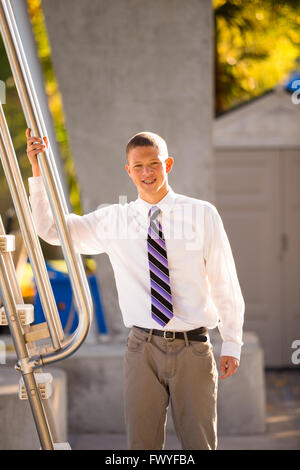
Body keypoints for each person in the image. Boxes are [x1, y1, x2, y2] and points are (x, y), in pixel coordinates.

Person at [25, 128, 245, 450]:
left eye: (154, 164)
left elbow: (224, 279)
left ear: (167, 164)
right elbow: (50, 230)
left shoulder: (201, 214)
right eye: (138, 166)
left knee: (200, 444)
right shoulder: (115, 220)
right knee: (141, 446)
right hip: (142, 348)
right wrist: (37, 169)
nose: (147, 173)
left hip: (194, 347)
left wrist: (232, 341)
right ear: (128, 171)